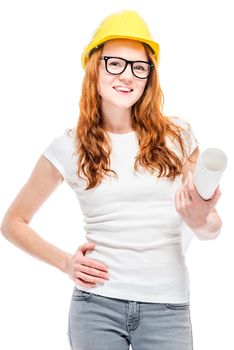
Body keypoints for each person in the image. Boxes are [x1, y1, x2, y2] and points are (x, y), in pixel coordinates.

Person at [0, 9, 222, 350]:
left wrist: (202, 218)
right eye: (114, 62)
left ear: (149, 76)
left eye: (139, 66)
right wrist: (65, 263)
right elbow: (13, 222)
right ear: (95, 68)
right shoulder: (69, 146)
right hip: (96, 308)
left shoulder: (178, 137)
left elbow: (211, 229)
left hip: (168, 309)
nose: (127, 75)